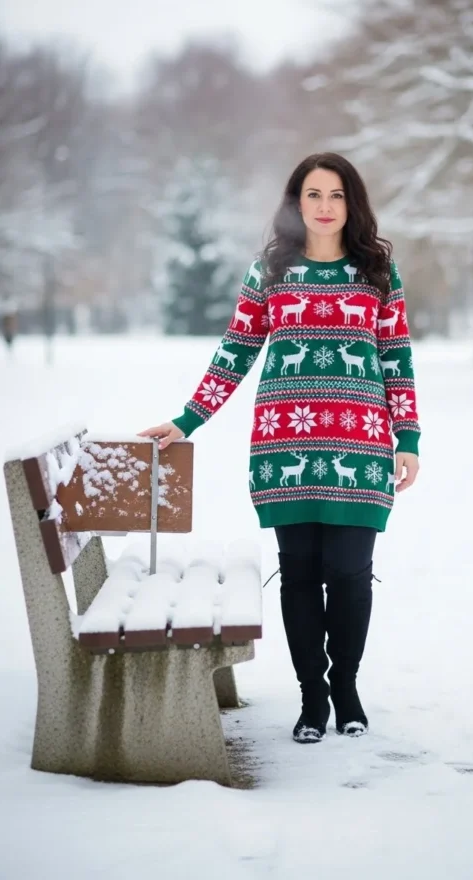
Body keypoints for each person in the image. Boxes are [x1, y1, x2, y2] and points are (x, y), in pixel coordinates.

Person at [139, 152, 420, 744]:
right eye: (313, 195)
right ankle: (312, 696)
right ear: (296, 203)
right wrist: (187, 420)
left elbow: (396, 356)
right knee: (299, 576)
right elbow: (237, 349)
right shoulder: (270, 272)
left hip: (361, 445)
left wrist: (409, 437)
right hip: (285, 442)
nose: (325, 207)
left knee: (351, 575)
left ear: (352, 204)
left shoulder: (376, 273)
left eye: (336, 195)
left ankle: (345, 686)